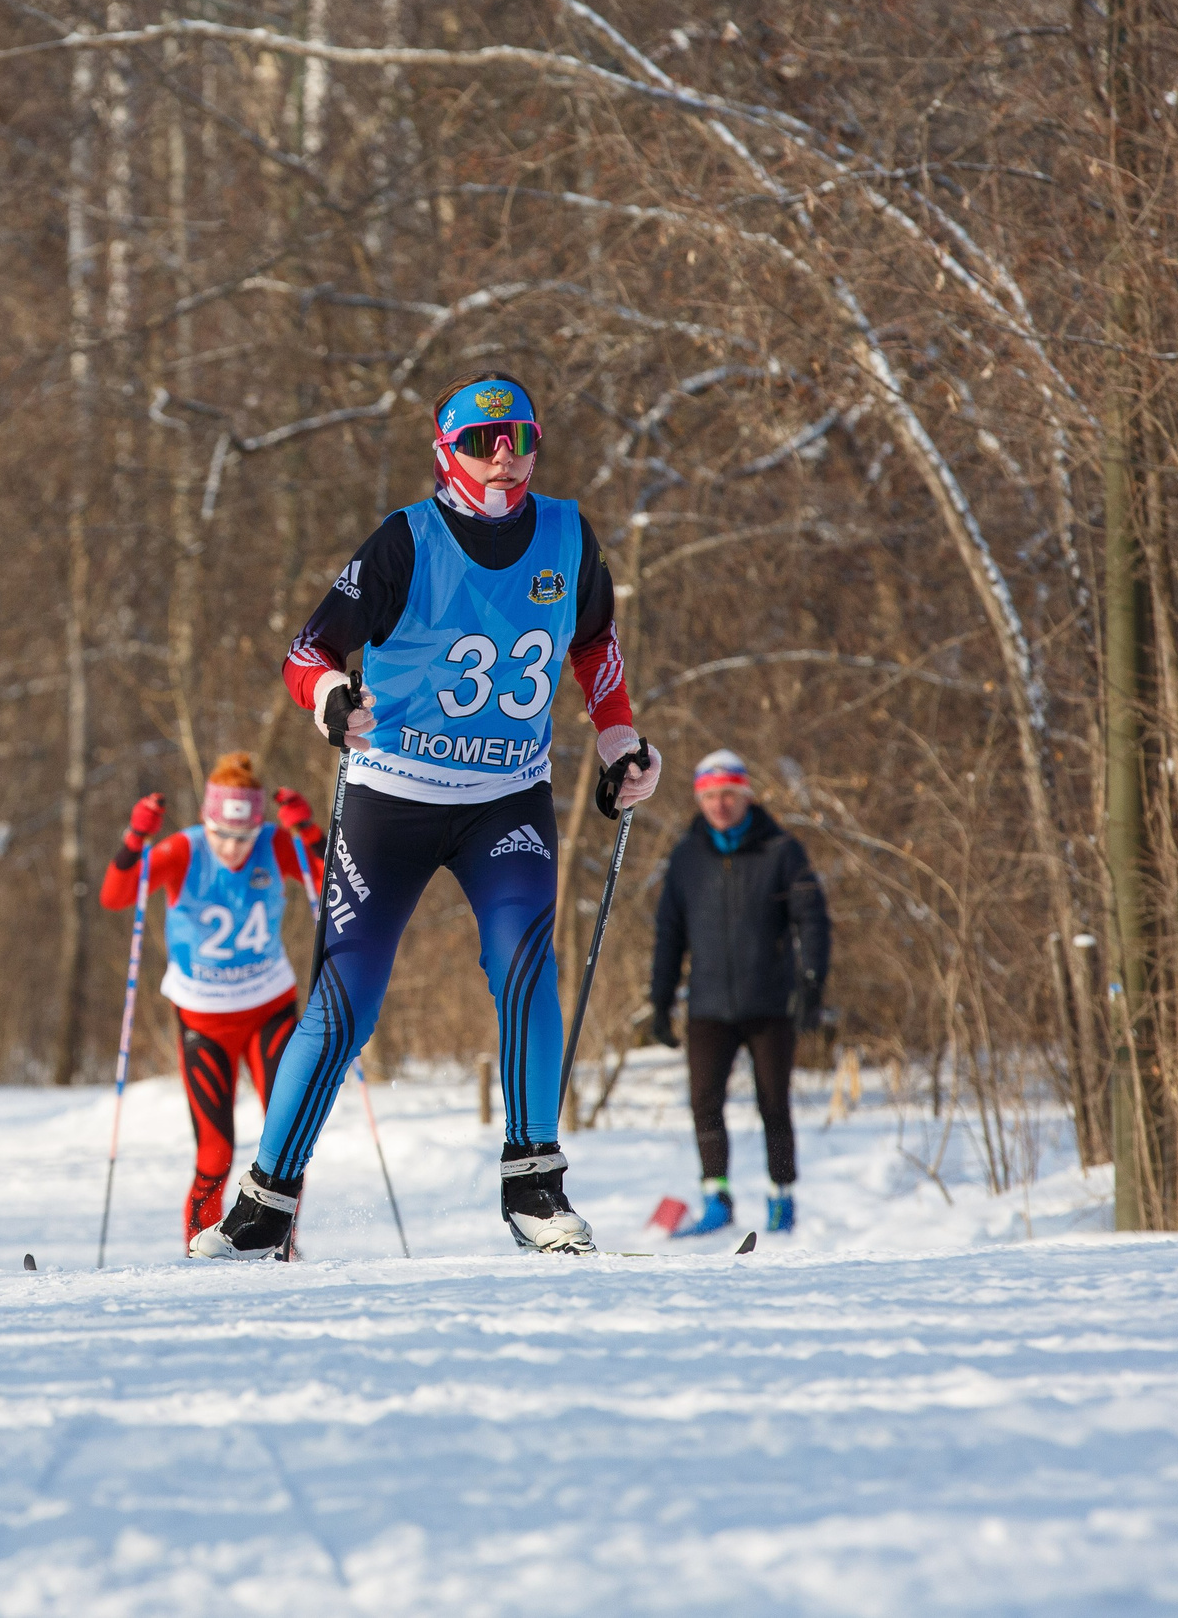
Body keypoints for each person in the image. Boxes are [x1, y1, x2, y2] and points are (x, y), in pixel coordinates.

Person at [190, 371, 662, 1260]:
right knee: (345, 999)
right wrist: (331, 695)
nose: (506, 459)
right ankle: (265, 1205)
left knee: (523, 962)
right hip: (389, 799)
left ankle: (534, 1187)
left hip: (505, 799)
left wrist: (619, 741)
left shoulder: (566, 533)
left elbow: (594, 641)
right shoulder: (406, 540)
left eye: (521, 438)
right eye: (485, 442)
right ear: (447, 452)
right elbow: (307, 648)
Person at [105, 752, 326, 1248]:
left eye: (244, 837)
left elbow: (329, 876)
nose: (231, 848)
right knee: (214, 1152)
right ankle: (201, 1246)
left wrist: (308, 830)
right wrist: (135, 838)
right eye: (221, 834)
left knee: (287, 1140)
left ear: (259, 828)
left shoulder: (274, 844)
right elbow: (117, 895)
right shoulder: (184, 850)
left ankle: (279, 1242)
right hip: (204, 1018)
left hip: (269, 1008)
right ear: (206, 823)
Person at [647, 749, 832, 1236]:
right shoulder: (687, 857)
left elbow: (812, 919)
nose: (719, 805)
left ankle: (781, 1197)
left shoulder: (781, 850)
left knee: (774, 1102)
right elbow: (670, 933)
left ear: (746, 795)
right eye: (709, 796)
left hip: (770, 1002)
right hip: (708, 1005)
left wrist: (811, 986)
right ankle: (716, 1197)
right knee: (704, 1101)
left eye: (728, 794)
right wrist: (660, 1001)